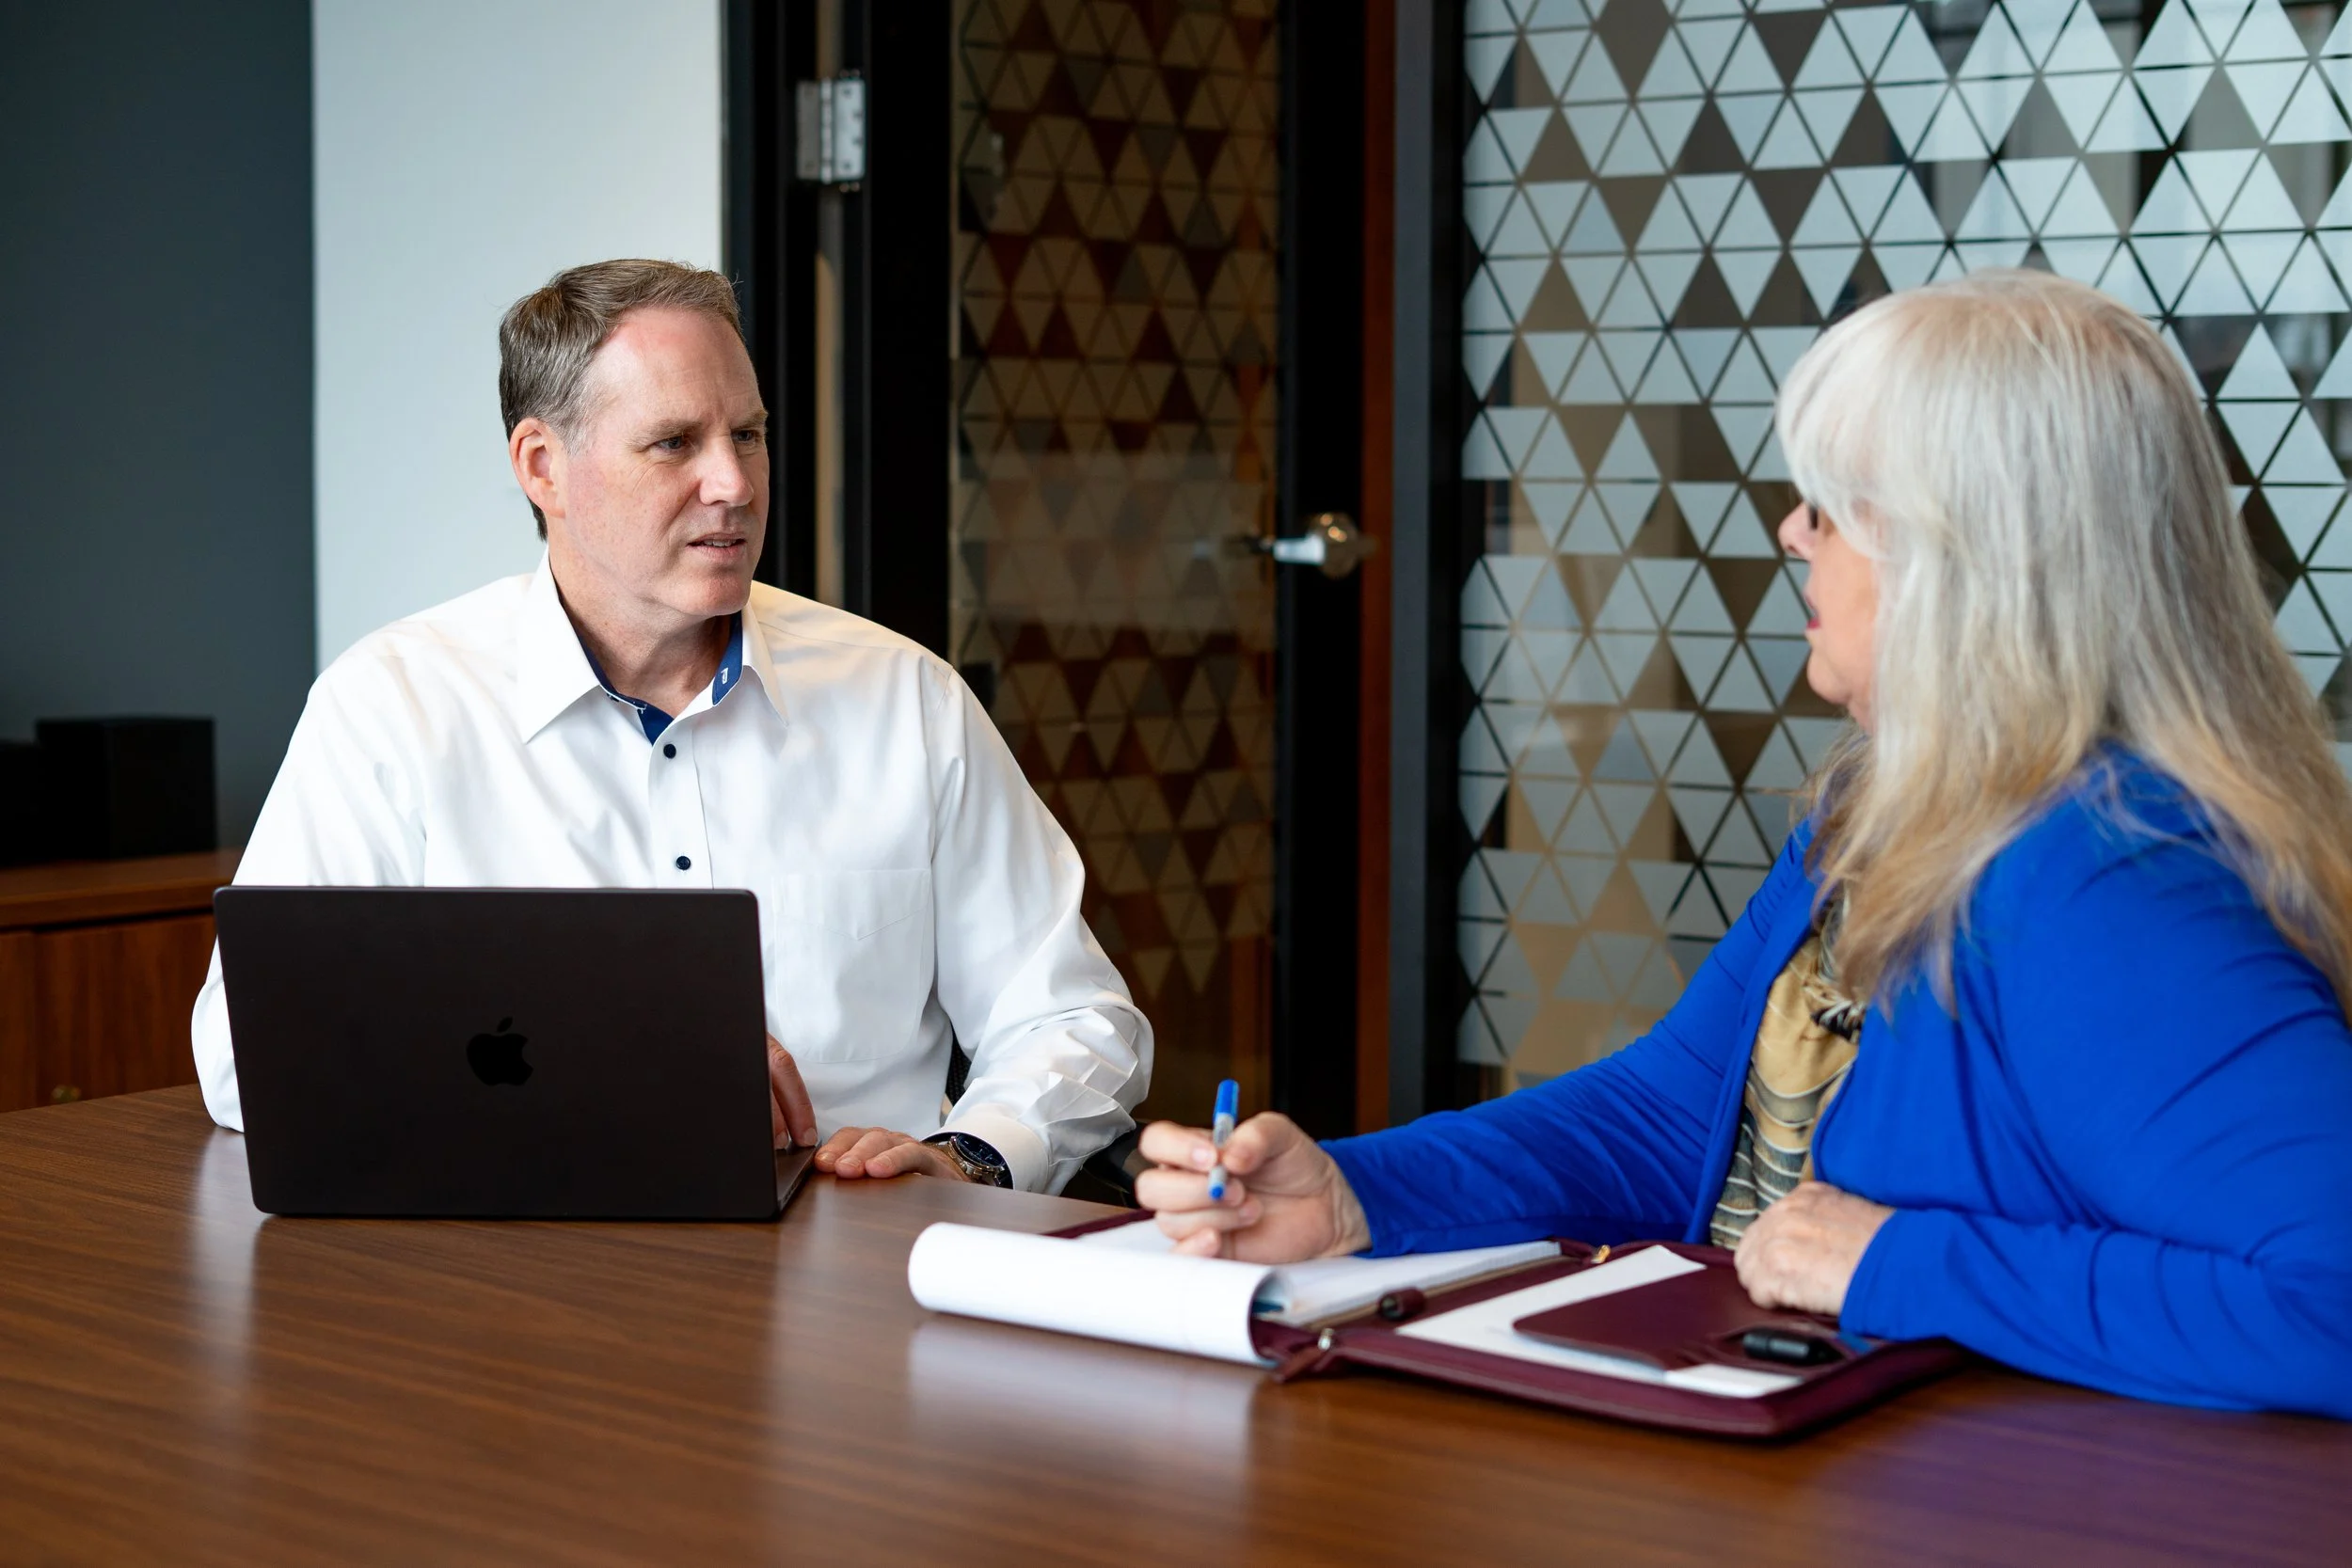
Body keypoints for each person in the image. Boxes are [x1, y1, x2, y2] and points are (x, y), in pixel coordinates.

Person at [1137, 271, 2352, 1417]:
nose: (1789, 531)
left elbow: (2331, 1299)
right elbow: (1674, 1116)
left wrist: (1899, 1258)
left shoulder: (2111, 872)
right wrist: (1359, 1193)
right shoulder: (1885, 810)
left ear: (1967, 555)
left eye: (1831, 505)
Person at [192, 259, 1150, 1193]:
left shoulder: (906, 700)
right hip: (514, 1276)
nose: (733, 482)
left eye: (749, 433)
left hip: (850, 1269)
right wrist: (619, 1044)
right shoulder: (392, 707)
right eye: (674, 443)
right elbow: (249, 1054)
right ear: (543, 466)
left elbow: (1071, 1014)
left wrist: (967, 1154)